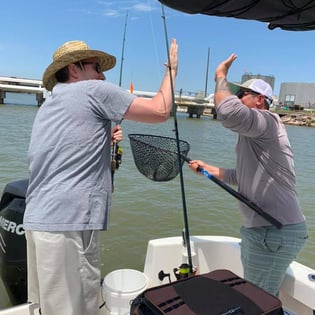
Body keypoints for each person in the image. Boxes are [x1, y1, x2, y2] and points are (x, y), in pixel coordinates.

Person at [23, 39, 178, 315]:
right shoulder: (93, 90)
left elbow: (58, 149)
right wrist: (172, 71)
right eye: (96, 68)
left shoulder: (50, 104)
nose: (102, 76)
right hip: (68, 224)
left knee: (46, 309)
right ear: (74, 69)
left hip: (37, 222)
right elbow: (160, 111)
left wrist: (102, 137)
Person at [189, 54, 307, 296]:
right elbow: (241, 176)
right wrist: (207, 169)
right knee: (259, 297)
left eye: (242, 94)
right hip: (266, 231)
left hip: (273, 231)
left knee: (259, 300)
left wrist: (220, 76)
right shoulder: (255, 135)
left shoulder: (268, 122)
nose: (237, 97)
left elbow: (227, 112)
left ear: (260, 100)